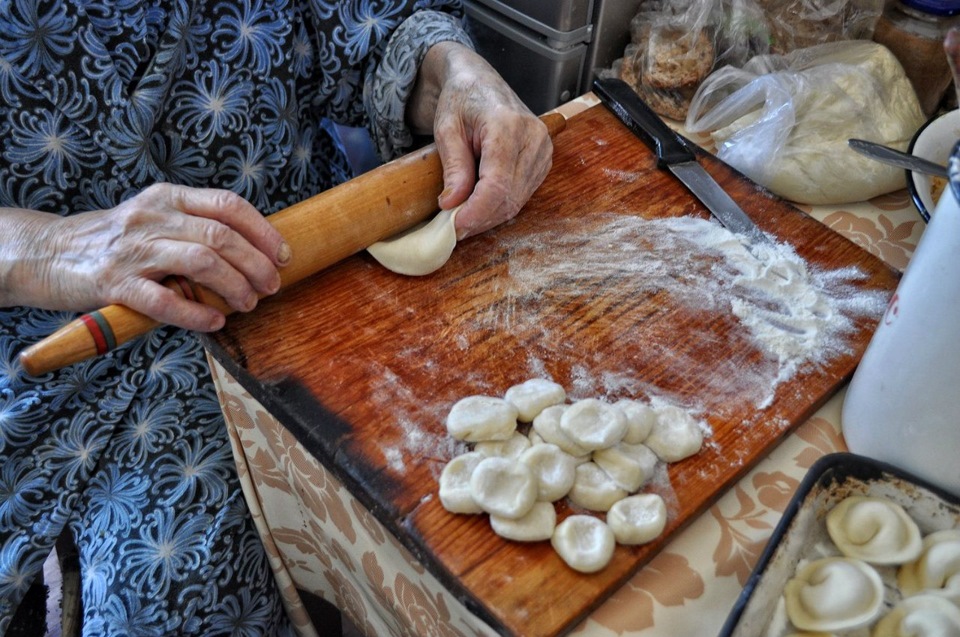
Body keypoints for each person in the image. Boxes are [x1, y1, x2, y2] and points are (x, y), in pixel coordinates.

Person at [0, 1, 553, 634]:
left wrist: (455, 70)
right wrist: (50, 247)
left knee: (439, 507)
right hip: (59, 341)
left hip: (297, 288)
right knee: (181, 602)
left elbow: (376, 35)